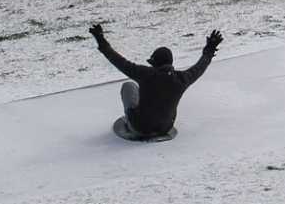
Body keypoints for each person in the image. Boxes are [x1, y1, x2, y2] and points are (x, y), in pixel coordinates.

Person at [90, 22, 221, 138]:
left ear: (155, 63)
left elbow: (118, 61)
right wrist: (209, 49)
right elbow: (200, 67)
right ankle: (156, 122)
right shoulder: (182, 79)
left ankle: (130, 121)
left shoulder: (145, 74)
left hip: (140, 128)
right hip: (165, 128)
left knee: (128, 86)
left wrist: (100, 39)